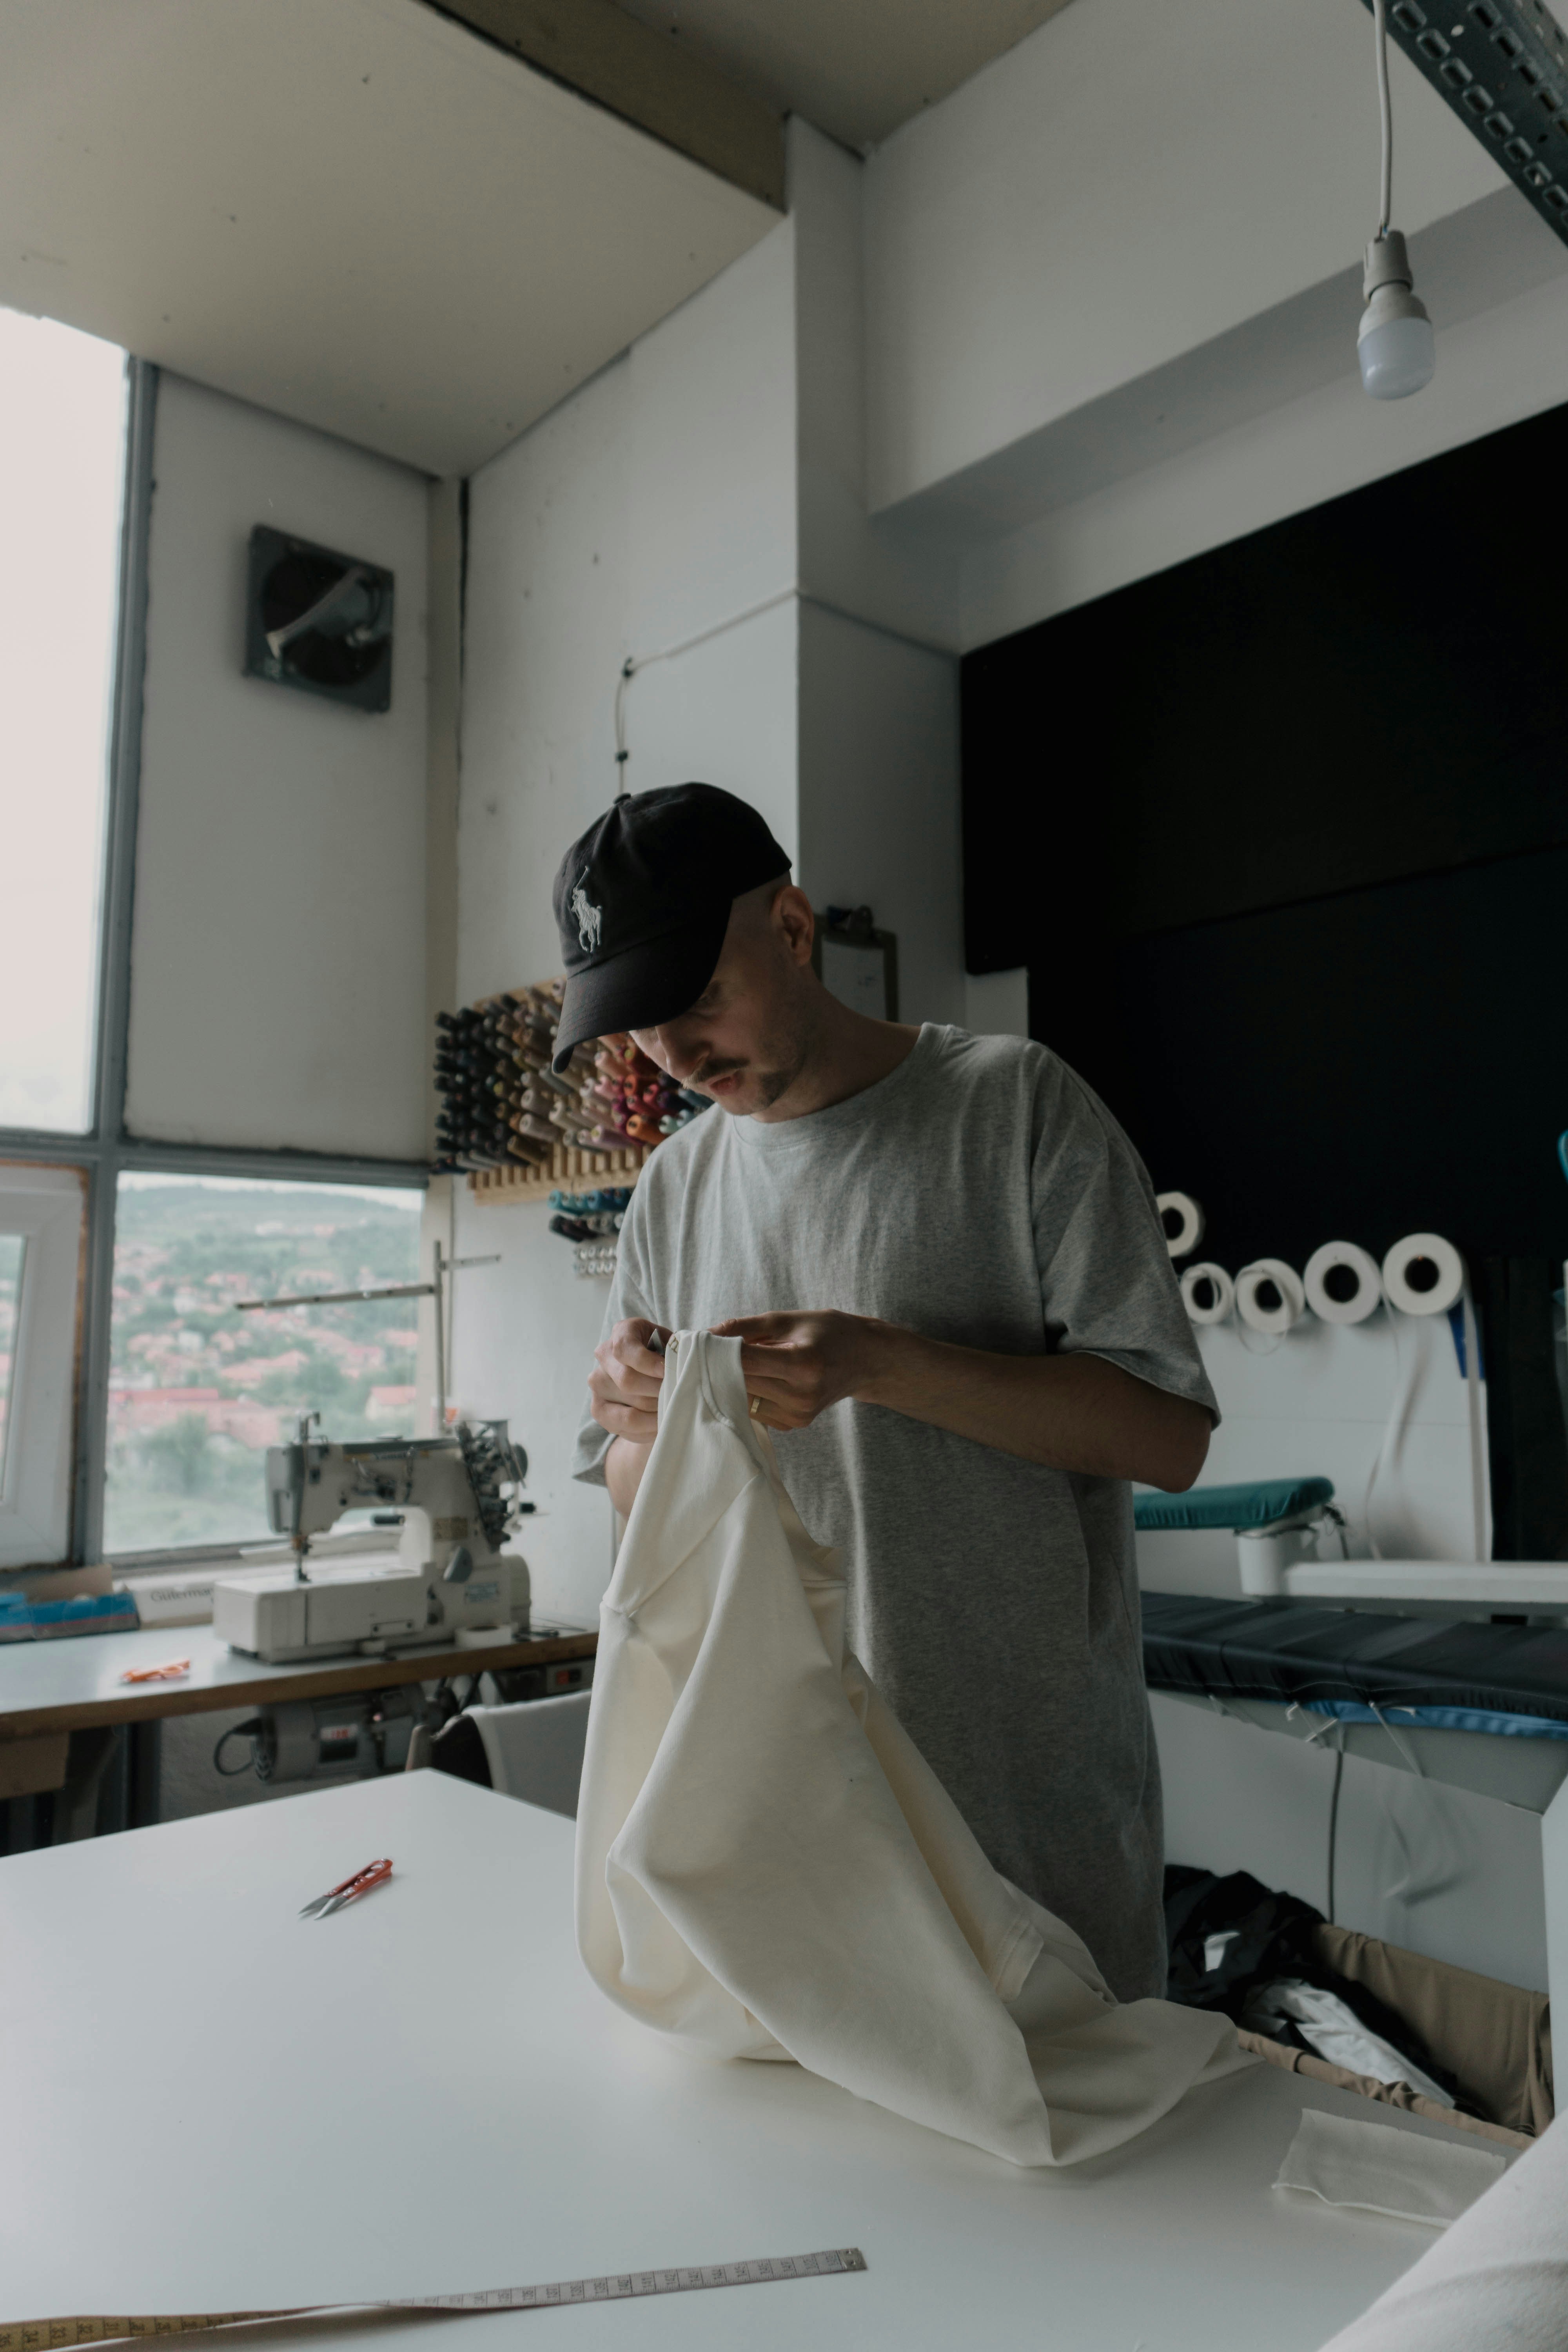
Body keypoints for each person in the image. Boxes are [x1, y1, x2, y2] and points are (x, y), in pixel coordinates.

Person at [562, 782, 1216, 2002]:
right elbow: (635, 1503)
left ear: (797, 931)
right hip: (788, 1808)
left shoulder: (1014, 1106)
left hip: (1020, 1815)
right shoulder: (674, 1187)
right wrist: (632, 1417)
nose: (681, 1056)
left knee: (1071, 2163)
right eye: (643, 1027)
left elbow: (1168, 1437)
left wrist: (879, 1364)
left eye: (700, 999)